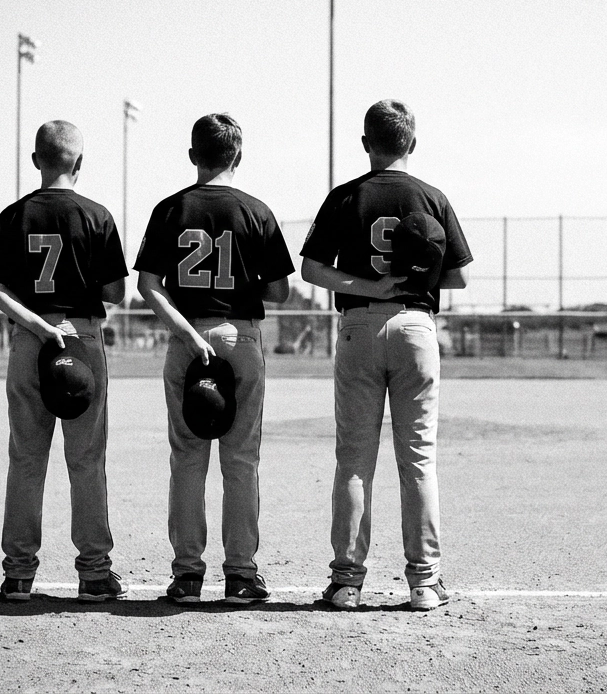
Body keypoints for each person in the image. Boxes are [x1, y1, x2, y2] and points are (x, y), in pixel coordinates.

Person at [300, 99, 472, 611]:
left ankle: (347, 582)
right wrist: (414, 279)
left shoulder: (345, 196)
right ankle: (424, 582)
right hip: (417, 327)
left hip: (358, 325)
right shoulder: (431, 197)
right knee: (418, 460)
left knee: (354, 460)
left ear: (365, 144)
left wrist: (369, 287)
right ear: (412, 144)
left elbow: (310, 269)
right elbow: (460, 276)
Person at [135, 114, 293, 605]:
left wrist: (183, 328)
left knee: (187, 459)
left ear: (192, 155)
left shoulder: (169, 209)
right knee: (241, 461)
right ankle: (242, 575)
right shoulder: (257, 211)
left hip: (187, 340)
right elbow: (281, 291)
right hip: (240, 339)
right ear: (238, 156)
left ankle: (186, 576)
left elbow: (147, 285)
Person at [0, 120, 130, 603]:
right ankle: (93, 574)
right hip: (81, 336)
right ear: (79, 163)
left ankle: (19, 574)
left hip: (30, 337)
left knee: (26, 457)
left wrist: (37, 325)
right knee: (86, 459)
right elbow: (115, 293)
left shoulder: (12, 215)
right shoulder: (97, 215)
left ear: (36, 160)